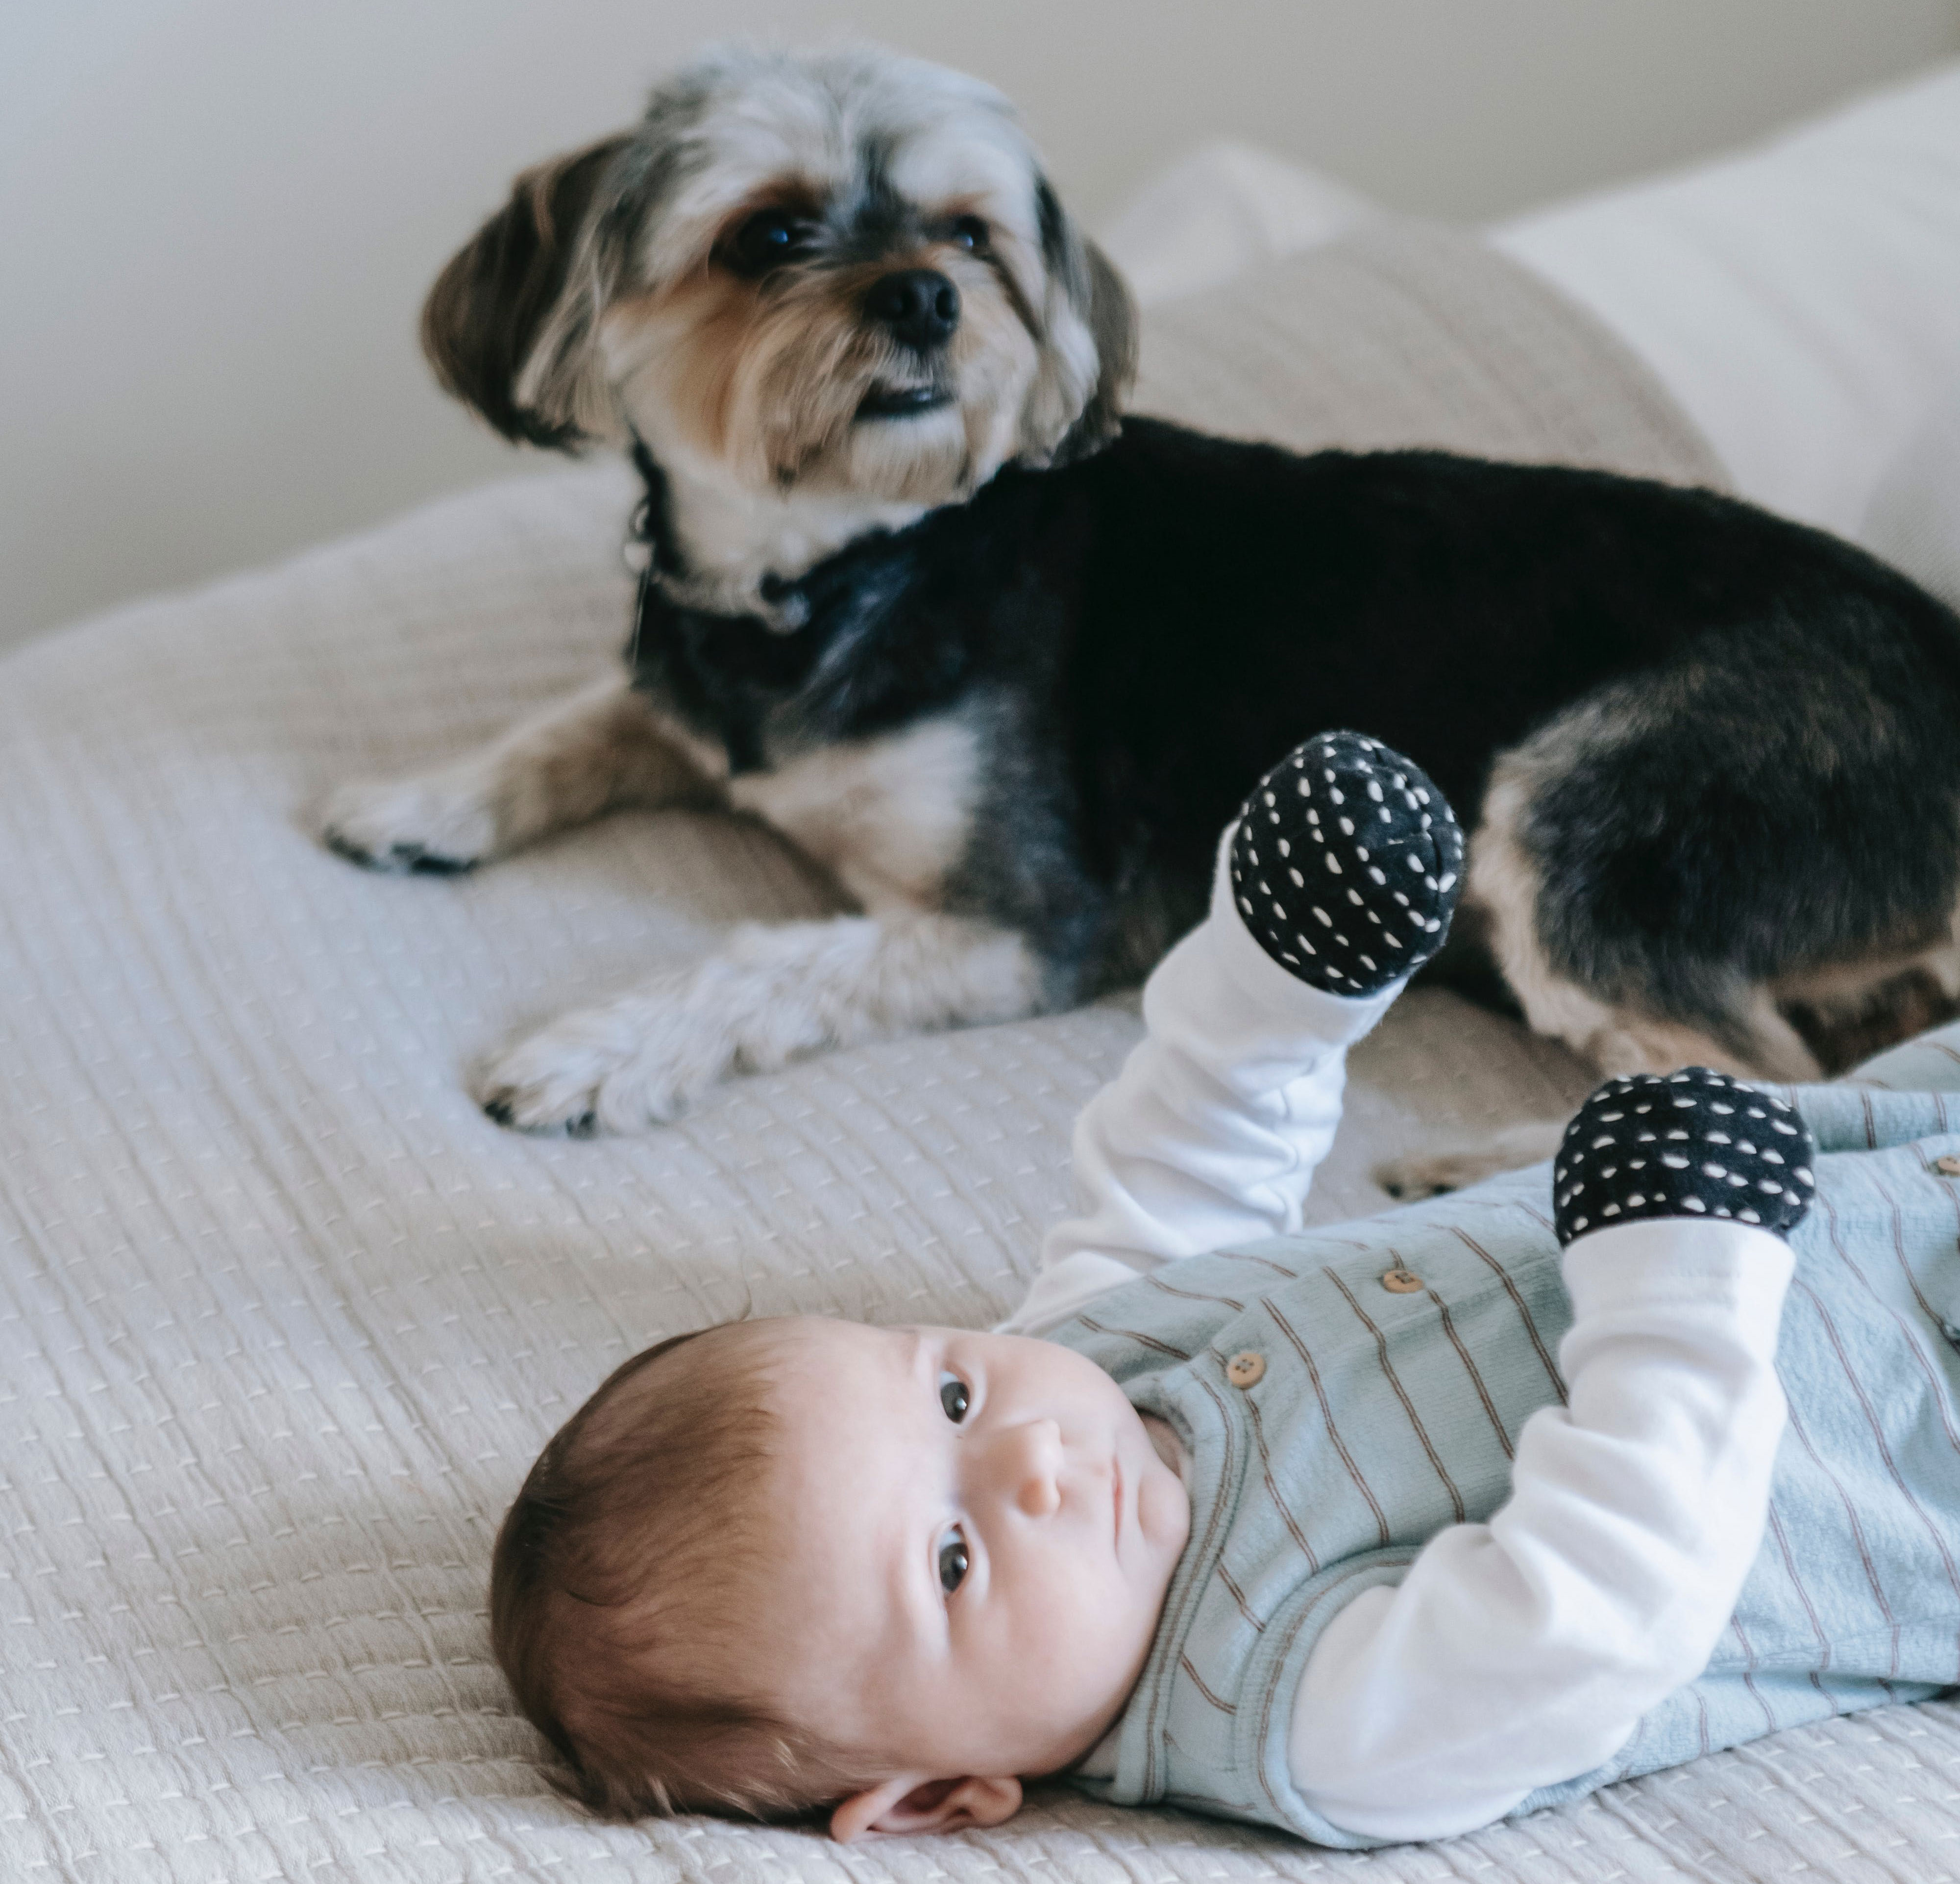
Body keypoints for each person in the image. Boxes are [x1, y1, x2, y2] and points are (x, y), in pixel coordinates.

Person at [488, 731, 1960, 1847]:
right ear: (941, 1789)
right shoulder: (1305, 1715)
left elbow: (1183, 1151)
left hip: (1861, 1148)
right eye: (951, 1560)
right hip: (1910, 1435)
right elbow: (1606, 1604)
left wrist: (1278, 973)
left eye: (949, 1388)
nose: (1037, 1461)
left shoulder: (1087, 1367)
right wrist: (1678, 1283)